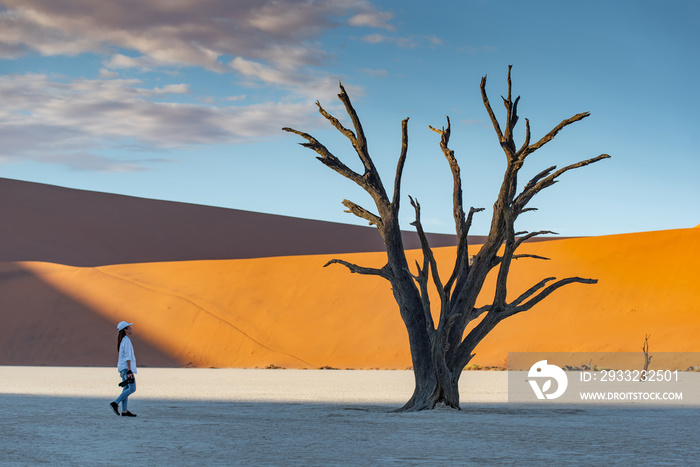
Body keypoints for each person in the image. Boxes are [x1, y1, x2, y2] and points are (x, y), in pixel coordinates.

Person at [109, 321, 138, 417]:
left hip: (122, 368)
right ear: (125, 329)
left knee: (126, 388)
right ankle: (115, 403)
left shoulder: (123, 340)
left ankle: (124, 411)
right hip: (126, 368)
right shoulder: (126, 341)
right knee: (132, 388)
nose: (131, 328)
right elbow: (128, 357)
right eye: (129, 327)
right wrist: (129, 371)